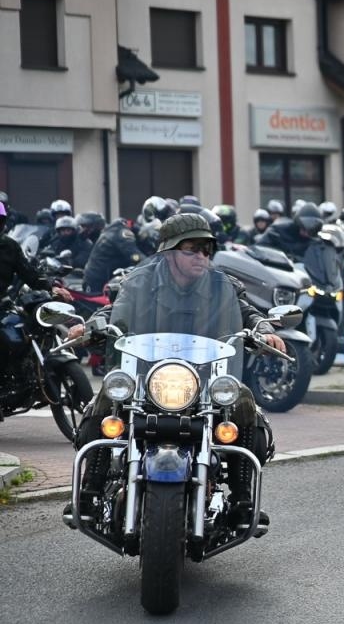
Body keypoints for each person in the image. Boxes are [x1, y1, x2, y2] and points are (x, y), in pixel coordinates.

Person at [68, 213, 287, 529]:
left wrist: (263, 330)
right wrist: (88, 328)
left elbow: (249, 314)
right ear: (169, 252)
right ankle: (89, 492)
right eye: (192, 249)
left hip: (205, 376)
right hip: (146, 374)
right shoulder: (137, 282)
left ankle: (242, 500)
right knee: (104, 403)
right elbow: (112, 311)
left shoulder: (223, 286)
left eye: (206, 250)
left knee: (243, 404)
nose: (201, 257)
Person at [83, 217, 147, 295]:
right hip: (99, 282)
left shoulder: (112, 230)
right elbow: (135, 255)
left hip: (94, 278)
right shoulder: (122, 233)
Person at [253, 202, 324, 262]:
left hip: (306, 275)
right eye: (304, 229)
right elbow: (259, 249)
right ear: (298, 224)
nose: (306, 233)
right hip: (276, 272)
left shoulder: (316, 243)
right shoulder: (278, 231)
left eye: (311, 231)